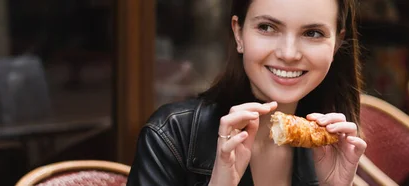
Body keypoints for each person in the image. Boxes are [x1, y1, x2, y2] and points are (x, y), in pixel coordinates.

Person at [127, 0, 366, 185]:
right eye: (267, 27)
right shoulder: (170, 136)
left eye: (312, 33)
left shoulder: (333, 148)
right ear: (239, 33)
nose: (289, 53)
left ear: (336, 43)